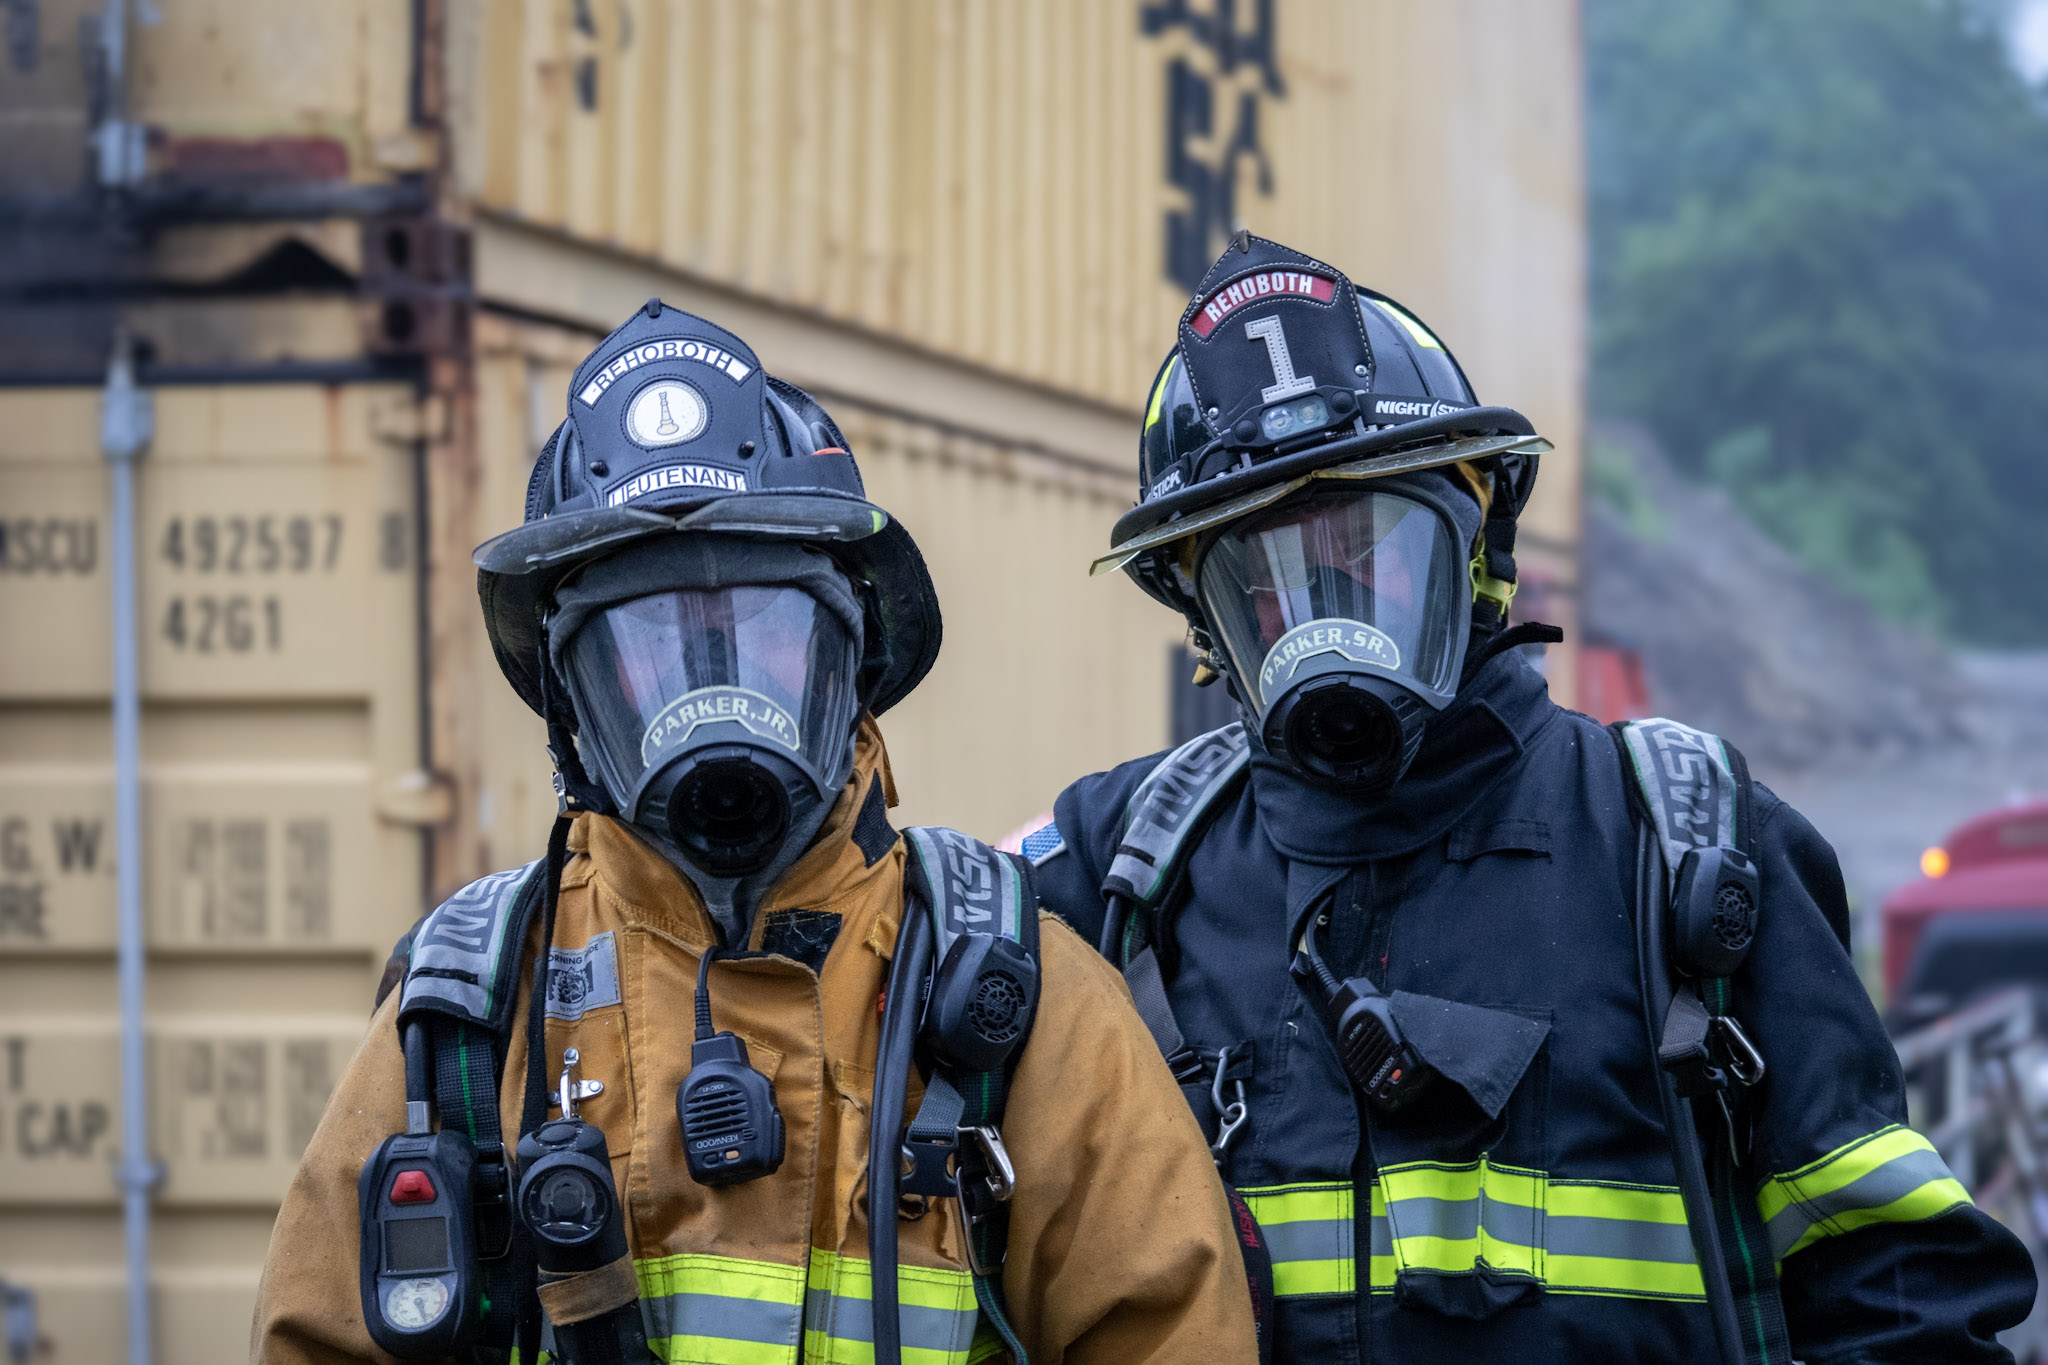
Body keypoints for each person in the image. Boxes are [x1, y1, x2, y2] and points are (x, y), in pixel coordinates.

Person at [1022, 233, 2038, 1363]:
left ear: (1475, 550)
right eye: (1262, 577)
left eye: (1371, 551)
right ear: (1202, 623)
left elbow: (1901, 1303)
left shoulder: (1684, 849)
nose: (1323, 618)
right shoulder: (1110, 873)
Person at [251, 301, 1258, 1365]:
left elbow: (1169, 1331)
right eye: (649, 654)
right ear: (572, 707)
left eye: (762, 637)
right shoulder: (464, 1021)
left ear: (852, 661)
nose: (709, 702)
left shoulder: (1018, 1001)